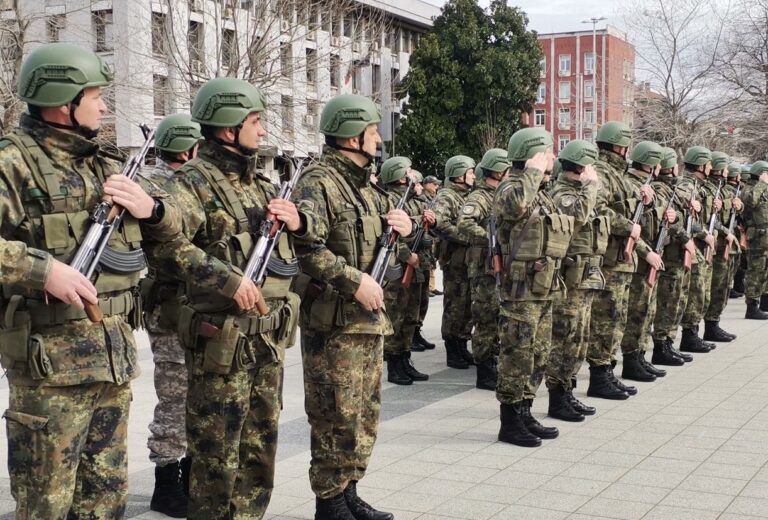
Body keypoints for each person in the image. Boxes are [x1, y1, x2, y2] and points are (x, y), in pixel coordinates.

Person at [0, 43, 183, 519]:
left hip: (111, 366)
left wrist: (154, 209)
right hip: (48, 374)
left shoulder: (104, 163)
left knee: (105, 503)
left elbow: (183, 223)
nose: (104, 106)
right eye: (96, 95)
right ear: (64, 99)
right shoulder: (12, 162)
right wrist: (42, 269)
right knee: (46, 506)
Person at [146, 77, 305, 519]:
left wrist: (297, 222)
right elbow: (167, 245)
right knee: (215, 463)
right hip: (221, 346)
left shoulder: (260, 185)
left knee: (258, 456)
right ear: (228, 127)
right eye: (255, 121)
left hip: (265, 342)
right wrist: (226, 280)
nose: (263, 130)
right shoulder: (193, 181)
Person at [292, 93, 411, 520]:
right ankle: (329, 501)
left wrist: (404, 229)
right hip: (334, 323)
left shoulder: (370, 188)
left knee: (363, 415)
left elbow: (388, 254)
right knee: (334, 414)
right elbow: (305, 248)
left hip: (367, 323)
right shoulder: (318, 181)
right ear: (352, 134)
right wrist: (353, 280)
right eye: (373, 131)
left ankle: (349, 489)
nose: (379, 138)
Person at [493, 128, 576, 447]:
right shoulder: (510, 187)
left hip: (543, 286)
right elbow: (514, 208)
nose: (552, 159)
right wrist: (531, 172)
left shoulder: (541, 190)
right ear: (530, 155)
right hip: (520, 290)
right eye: (546, 153)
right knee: (518, 353)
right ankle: (510, 420)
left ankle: (525, 410)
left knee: (538, 353)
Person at [142, 113, 202, 517]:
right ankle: (166, 484)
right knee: (176, 395)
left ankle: (189, 475)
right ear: (186, 148)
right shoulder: (155, 185)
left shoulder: (186, 183)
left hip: (195, 306)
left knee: (194, 394)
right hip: (169, 308)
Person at [585, 122, 662, 400]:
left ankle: (607, 372)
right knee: (606, 321)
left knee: (616, 320)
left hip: (621, 260)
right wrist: (626, 227)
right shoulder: (603, 173)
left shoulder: (619, 176)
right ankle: (599, 376)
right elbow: (599, 209)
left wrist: (646, 202)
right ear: (619, 146)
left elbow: (633, 217)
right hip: (608, 261)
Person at [545, 139, 603, 422]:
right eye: (589, 166)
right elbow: (577, 216)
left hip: (584, 277)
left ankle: (567, 390)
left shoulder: (580, 192)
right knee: (564, 337)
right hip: (568, 279)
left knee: (579, 338)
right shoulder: (561, 193)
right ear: (580, 166)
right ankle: (557, 397)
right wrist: (591, 186)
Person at [618, 141, 671, 382]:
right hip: (637, 256)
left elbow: (660, 215)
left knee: (647, 310)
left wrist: (659, 207)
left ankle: (640, 356)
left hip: (652, 252)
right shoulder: (629, 184)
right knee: (636, 312)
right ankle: (631, 360)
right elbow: (627, 225)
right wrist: (645, 251)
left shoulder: (647, 186)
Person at [378, 156, 435, 385]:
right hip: (397, 267)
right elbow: (388, 234)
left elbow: (422, 227)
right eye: (407, 170)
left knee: (411, 315)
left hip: (417, 264)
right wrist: (407, 256)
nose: (412, 173)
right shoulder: (390, 199)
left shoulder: (413, 199)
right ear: (398, 175)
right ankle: (394, 364)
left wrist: (432, 219)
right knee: (396, 315)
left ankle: (405, 358)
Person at [456, 148, 509, 390]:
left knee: (497, 316)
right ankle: (485, 371)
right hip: (483, 269)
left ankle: (492, 362)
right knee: (486, 319)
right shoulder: (480, 198)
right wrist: (489, 236)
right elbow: (465, 223)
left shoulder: (501, 195)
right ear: (498, 171)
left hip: (496, 267)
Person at [650, 147, 695, 366]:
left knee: (676, 301)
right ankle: (661, 345)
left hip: (675, 254)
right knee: (667, 303)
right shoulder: (661, 189)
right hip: (669, 254)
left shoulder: (673, 188)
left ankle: (668, 342)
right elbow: (667, 220)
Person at [432, 156, 476, 369]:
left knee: (467, 304)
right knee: (455, 305)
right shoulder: (447, 196)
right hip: (455, 261)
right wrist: (466, 236)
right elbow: (439, 224)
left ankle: (461, 344)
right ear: (460, 174)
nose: (474, 176)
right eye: (470, 172)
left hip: (468, 261)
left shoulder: (467, 195)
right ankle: (452, 349)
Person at [675, 146, 720, 352]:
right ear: (700, 164)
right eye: (708, 163)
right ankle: (689, 336)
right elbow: (685, 221)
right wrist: (704, 234)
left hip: (698, 247)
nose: (711, 167)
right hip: (689, 247)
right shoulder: (686, 186)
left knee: (700, 293)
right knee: (693, 293)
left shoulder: (697, 185)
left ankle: (692, 334)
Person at [702, 153, 741, 340]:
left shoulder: (723, 188)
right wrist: (726, 232)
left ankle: (714, 322)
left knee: (723, 286)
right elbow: (711, 219)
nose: (727, 172)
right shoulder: (709, 189)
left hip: (725, 244)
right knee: (714, 287)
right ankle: (709, 325)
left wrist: (737, 205)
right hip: (714, 245)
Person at [742, 161, 768, 319]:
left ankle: (765, 301)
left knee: (765, 270)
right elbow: (751, 201)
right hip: (757, 236)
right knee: (755, 271)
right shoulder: (749, 189)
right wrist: (761, 184)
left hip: (765, 235)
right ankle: (751, 307)